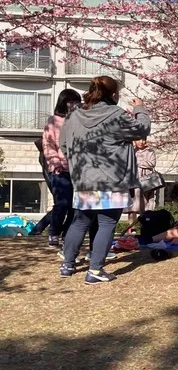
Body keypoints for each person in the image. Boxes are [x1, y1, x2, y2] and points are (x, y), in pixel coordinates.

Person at [59, 75, 151, 284]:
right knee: (107, 222)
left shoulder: (74, 115)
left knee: (79, 221)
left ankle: (67, 264)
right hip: (112, 179)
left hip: (83, 178)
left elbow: (64, 145)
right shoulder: (116, 115)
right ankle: (95, 270)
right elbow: (142, 129)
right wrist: (140, 109)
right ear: (112, 94)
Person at [42, 89, 82, 247]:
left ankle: (68, 234)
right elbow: (48, 144)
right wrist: (55, 162)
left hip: (77, 170)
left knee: (76, 205)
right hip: (60, 169)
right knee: (62, 203)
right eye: (70, 101)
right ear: (63, 102)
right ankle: (54, 232)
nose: (73, 105)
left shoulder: (79, 120)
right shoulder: (54, 120)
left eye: (76, 101)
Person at [126, 138, 157, 227]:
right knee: (133, 206)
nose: (141, 142)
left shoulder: (150, 152)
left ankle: (145, 227)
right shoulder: (131, 151)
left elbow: (152, 163)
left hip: (147, 181)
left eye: (143, 140)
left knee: (146, 205)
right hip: (133, 181)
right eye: (138, 140)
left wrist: (137, 162)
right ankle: (131, 228)